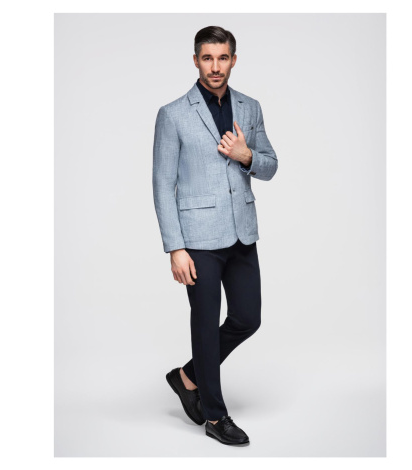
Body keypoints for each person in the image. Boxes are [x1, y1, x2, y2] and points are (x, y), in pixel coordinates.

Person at [153, 25, 278, 445]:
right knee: (205, 325)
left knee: (247, 318)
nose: (215, 66)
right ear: (195, 61)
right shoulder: (173, 114)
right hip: (198, 240)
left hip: (242, 233)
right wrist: (175, 247)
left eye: (222, 57)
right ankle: (214, 416)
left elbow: (270, 165)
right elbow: (162, 184)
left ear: (233, 60)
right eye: (207, 58)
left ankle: (187, 376)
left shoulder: (250, 107)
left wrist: (247, 156)